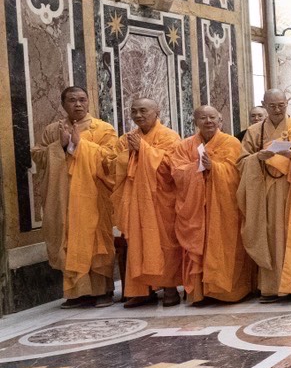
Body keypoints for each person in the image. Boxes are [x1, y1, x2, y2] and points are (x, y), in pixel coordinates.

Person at [32, 86, 118, 307]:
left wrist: (82, 145)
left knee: (96, 240)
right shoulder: (53, 130)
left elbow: (111, 159)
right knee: (68, 240)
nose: (78, 104)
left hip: (92, 195)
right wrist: (59, 145)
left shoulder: (103, 129)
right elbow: (38, 156)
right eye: (72, 100)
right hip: (63, 196)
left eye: (82, 99)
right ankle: (77, 292)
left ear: (88, 102)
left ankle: (102, 290)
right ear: (63, 104)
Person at [239, 89, 291, 302]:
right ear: (264, 104)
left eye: (281, 105)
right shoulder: (255, 131)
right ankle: (272, 287)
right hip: (266, 192)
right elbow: (241, 162)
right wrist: (258, 157)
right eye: (272, 106)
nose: (277, 110)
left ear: (287, 103)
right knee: (271, 235)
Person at [170, 104, 252, 305]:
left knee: (225, 246)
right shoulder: (185, 145)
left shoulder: (231, 143)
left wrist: (214, 167)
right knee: (198, 246)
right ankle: (199, 293)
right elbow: (177, 172)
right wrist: (196, 168)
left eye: (212, 117)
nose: (208, 121)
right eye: (203, 118)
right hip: (195, 207)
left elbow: (238, 173)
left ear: (219, 120)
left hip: (224, 207)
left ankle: (227, 292)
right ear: (195, 122)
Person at [113, 98, 184, 307]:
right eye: (134, 111)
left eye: (143, 111)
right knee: (137, 244)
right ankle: (142, 290)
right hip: (137, 201)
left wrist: (143, 149)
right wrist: (131, 152)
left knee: (165, 244)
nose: (138, 115)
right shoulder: (127, 139)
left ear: (156, 112)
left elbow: (173, 166)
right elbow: (114, 165)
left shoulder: (169, 136)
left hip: (161, 200)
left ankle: (170, 288)